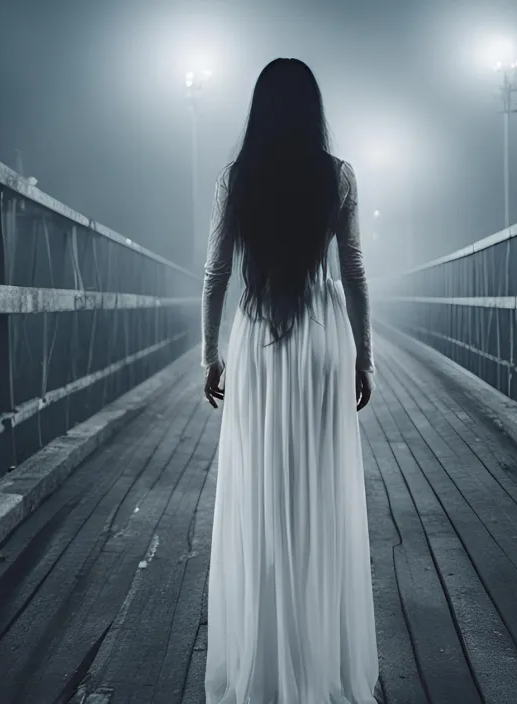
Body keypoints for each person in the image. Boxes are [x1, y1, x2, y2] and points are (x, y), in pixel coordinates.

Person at [200, 57, 380, 703]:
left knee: (263, 489)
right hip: (321, 338)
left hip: (259, 337)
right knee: (318, 489)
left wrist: (210, 356)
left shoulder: (237, 177)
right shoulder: (338, 176)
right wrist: (364, 354)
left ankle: (266, 657)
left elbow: (216, 273)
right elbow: (353, 270)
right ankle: (318, 658)